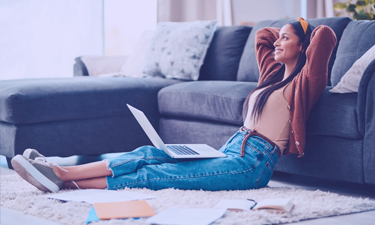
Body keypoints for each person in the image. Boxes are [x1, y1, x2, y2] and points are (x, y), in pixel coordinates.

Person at [11, 18, 337, 193]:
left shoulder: (303, 84)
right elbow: (262, 37)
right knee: (149, 153)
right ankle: (58, 168)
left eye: (286, 38)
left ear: (303, 46)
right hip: (230, 149)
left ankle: (62, 181)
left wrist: (304, 30)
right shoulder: (271, 75)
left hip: (253, 165)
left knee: (158, 174)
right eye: (279, 37)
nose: (276, 41)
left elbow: (325, 37)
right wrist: (286, 33)